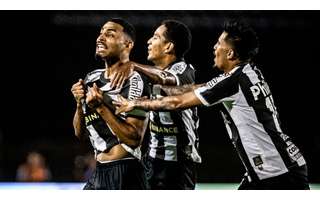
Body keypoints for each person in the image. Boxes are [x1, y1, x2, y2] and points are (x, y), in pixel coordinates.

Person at [114, 20, 310, 190]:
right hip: (276, 166)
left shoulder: (230, 81)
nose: (214, 48)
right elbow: (199, 87)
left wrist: (136, 102)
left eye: (219, 44)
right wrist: (159, 90)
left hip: (276, 172)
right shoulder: (249, 72)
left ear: (231, 53)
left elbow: (176, 103)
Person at [112, 20, 201, 189]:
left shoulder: (184, 71)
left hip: (178, 167)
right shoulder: (148, 78)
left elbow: (166, 79)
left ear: (168, 47)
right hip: (151, 162)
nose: (148, 42)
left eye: (155, 37)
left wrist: (133, 65)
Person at [70, 18, 150, 190]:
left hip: (125, 171)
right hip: (98, 172)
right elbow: (79, 134)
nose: (100, 38)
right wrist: (78, 105)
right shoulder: (91, 78)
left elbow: (133, 138)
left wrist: (100, 107)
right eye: (100, 33)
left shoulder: (135, 80)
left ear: (128, 45)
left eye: (110, 34)